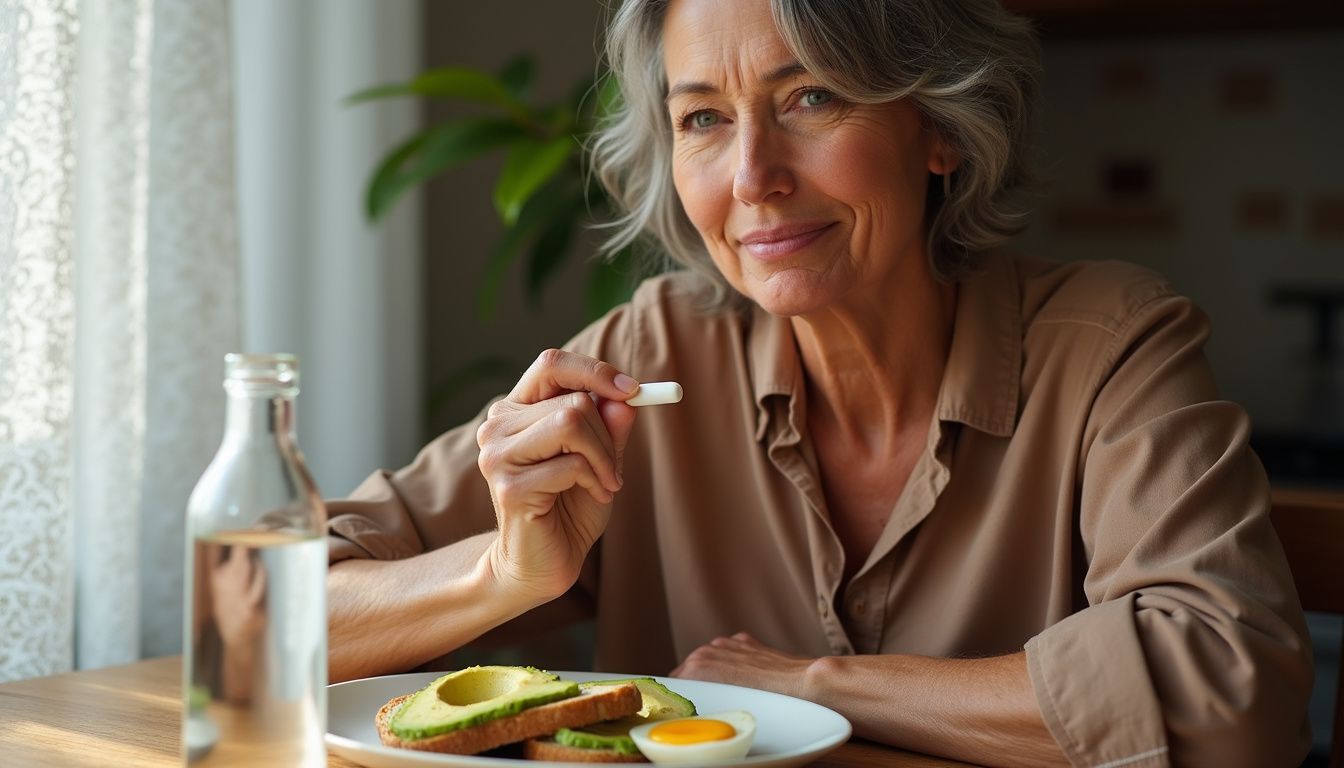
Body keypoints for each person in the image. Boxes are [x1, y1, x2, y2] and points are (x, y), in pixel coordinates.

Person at [325, 0, 1313, 765]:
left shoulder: (1112, 347)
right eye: (703, 118)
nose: (753, 175)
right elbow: (258, 617)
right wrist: (501, 573)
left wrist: (810, 684)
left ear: (941, 126)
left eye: (812, 96)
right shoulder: (650, 355)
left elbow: (1235, 705)